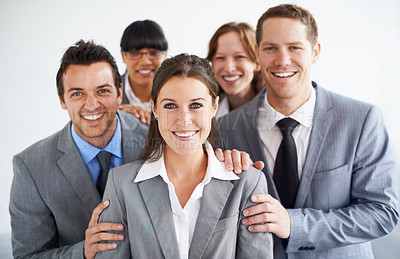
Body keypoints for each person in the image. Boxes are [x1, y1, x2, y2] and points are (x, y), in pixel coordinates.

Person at [9, 40, 257, 259]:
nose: (92, 104)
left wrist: (229, 159)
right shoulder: (31, 166)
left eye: (103, 91)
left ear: (120, 94)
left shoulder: (164, 137)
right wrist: (84, 252)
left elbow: (194, 145)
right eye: (77, 93)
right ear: (62, 100)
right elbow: (27, 255)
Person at [217, 4, 399, 258]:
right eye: (271, 48)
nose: (282, 60)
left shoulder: (362, 120)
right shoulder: (225, 128)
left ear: (315, 52)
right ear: (257, 53)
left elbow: (382, 213)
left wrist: (293, 224)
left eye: (294, 47)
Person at [96, 54, 273, 258]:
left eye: (196, 105)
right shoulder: (121, 184)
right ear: (154, 108)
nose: (184, 120)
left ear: (214, 106)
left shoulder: (247, 182)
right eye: (170, 105)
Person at [207, 22, 263, 119]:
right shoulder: (206, 111)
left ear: (257, 63)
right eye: (220, 58)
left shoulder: (279, 107)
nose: (229, 68)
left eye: (239, 57)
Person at [118, 19, 168, 125]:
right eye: (135, 53)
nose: (145, 61)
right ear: (123, 55)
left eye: (153, 52)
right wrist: (117, 117)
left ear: (165, 54)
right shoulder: (107, 92)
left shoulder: (178, 92)